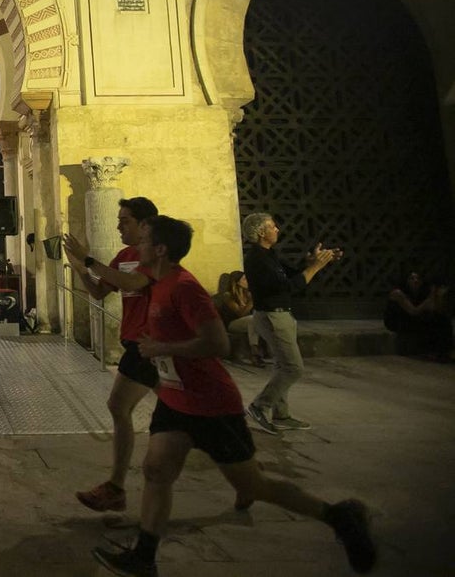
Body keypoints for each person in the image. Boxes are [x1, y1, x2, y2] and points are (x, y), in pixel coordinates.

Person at [91, 216, 376, 577]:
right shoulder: (158, 284)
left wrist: (162, 346)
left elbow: (218, 343)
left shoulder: (184, 288)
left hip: (211, 404)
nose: (136, 247)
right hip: (176, 399)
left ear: (160, 249)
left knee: (253, 485)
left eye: (143, 241)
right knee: (156, 470)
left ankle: (339, 515)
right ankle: (144, 558)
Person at [61, 196, 159, 513]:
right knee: (130, 408)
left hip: (152, 345)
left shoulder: (157, 253)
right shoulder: (123, 256)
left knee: (121, 407)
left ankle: (117, 487)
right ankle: (242, 472)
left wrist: (87, 259)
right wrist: (79, 268)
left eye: (124, 220)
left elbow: (132, 281)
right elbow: (100, 291)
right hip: (137, 343)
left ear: (144, 224)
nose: (118, 225)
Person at [241, 212, 340, 435]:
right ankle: (259, 406)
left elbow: (292, 275)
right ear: (260, 232)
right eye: (272, 227)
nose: (277, 230)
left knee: (282, 365)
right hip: (272, 316)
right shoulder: (256, 259)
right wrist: (315, 268)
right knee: (294, 368)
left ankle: (281, 414)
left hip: (281, 315)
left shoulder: (269, 255)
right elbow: (288, 287)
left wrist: (312, 262)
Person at [384, 270, 452, 361]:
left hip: (413, 317)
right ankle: (430, 351)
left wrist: (437, 296)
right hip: (399, 320)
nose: (415, 280)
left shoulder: (421, 292)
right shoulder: (398, 293)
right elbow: (413, 311)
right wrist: (427, 302)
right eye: (412, 278)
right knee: (428, 323)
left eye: (418, 278)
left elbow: (437, 309)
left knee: (442, 320)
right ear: (406, 280)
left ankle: (443, 352)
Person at [212, 270, 265, 366]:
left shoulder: (247, 294)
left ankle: (257, 353)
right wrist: (252, 301)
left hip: (248, 322)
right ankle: (255, 352)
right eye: (244, 279)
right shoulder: (228, 295)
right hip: (232, 324)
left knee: (258, 319)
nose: (247, 281)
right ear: (237, 282)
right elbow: (241, 314)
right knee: (253, 319)